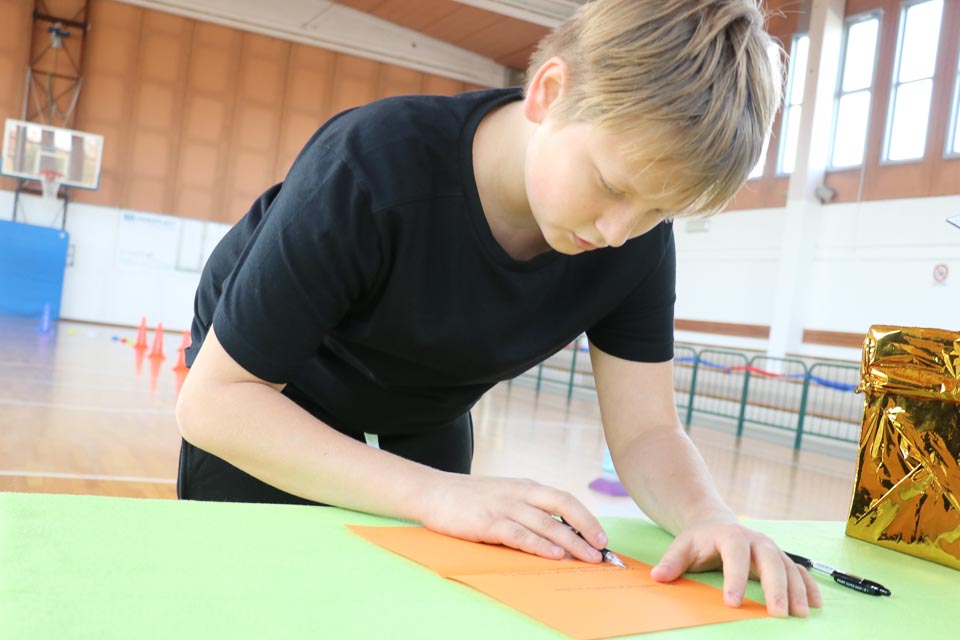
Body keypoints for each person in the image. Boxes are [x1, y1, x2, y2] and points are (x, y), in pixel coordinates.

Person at [176, 0, 821, 618]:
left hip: (425, 405)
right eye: (610, 185)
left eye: (659, 210)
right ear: (549, 93)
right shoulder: (370, 166)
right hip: (274, 398)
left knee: (410, 610)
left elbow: (646, 431)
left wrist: (710, 518)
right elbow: (215, 402)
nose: (619, 230)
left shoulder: (636, 242)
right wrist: (433, 492)